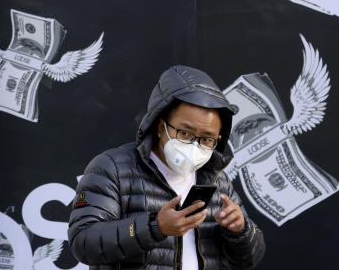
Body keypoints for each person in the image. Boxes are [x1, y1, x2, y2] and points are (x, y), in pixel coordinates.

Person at [68, 65, 266, 270]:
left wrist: (240, 231)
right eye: (185, 133)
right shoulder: (112, 168)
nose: (194, 145)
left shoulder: (216, 179)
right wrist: (155, 227)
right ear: (161, 127)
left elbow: (249, 258)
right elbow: (83, 241)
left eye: (206, 139)